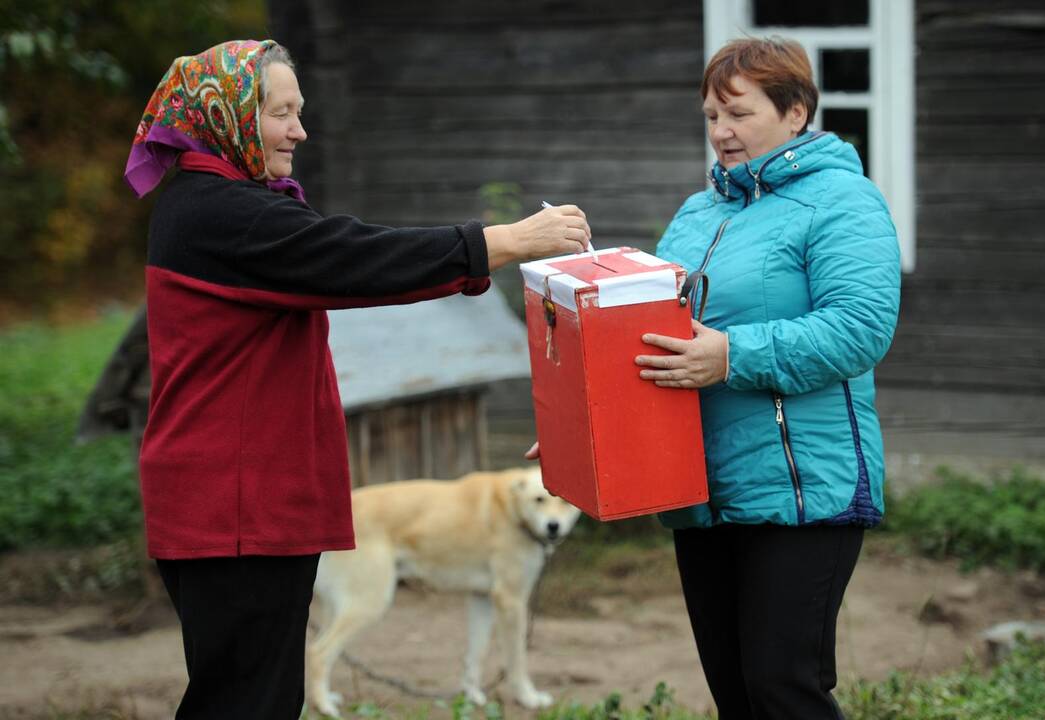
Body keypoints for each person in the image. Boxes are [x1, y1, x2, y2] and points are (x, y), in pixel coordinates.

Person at [124, 39, 590, 719]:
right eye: (281, 112)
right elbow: (354, 257)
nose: (299, 130)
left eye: (300, 111)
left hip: (240, 505)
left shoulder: (219, 205)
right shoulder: (223, 214)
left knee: (254, 696)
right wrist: (509, 241)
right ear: (227, 117)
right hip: (236, 510)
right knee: (245, 702)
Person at [634, 37, 901, 719]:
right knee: (737, 693)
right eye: (710, 117)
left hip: (804, 485)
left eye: (738, 113)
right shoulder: (700, 213)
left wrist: (732, 356)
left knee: (784, 689)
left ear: (795, 112)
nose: (721, 132)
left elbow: (859, 328)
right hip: (702, 488)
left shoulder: (843, 200)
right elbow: (646, 332)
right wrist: (591, 421)